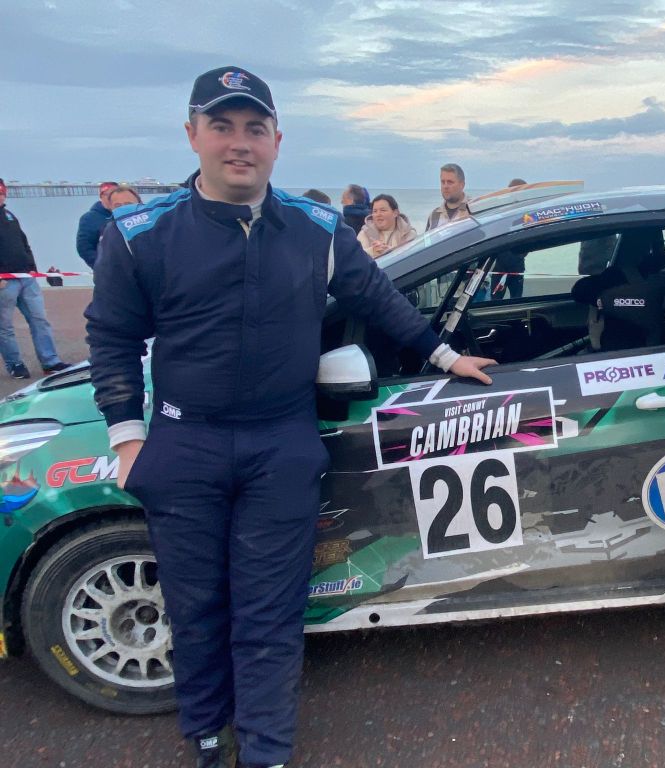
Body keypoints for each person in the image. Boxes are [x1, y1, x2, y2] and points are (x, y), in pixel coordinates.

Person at [85, 66, 494, 768]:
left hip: (281, 442)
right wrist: (128, 439)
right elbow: (111, 336)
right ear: (192, 135)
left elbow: (378, 298)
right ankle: (207, 736)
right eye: (221, 126)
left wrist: (444, 355)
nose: (239, 143)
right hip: (184, 443)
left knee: (270, 612)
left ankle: (266, 751)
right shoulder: (140, 234)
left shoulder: (317, 229)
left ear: (277, 141)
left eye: (255, 128)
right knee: (195, 607)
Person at [0, 177, 69, 379]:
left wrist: (32, 268)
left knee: (40, 320)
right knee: (5, 327)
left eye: (2, 192)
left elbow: (24, 243)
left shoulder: (9, 216)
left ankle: (50, 361)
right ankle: (15, 364)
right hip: (5, 282)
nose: (1, 196)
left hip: (26, 278)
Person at [356, 194, 416, 258]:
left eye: (383, 210)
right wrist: (373, 251)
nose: (378, 214)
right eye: (375, 211)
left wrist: (390, 251)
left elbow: (413, 257)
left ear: (395, 213)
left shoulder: (408, 233)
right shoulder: (364, 234)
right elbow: (356, 258)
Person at [75, 181, 118, 268]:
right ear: (101, 196)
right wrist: (101, 265)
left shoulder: (128, 214)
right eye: (108, 195)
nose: (112, 198)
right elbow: (84, 247)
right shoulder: (89, 218)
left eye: (115, 195)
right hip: (107, 269)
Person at [425, 163, 469, 230]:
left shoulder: (473, 209)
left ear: (462, 185)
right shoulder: (434, 215)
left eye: (450, 182)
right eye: (443, 182)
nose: (445, 186)